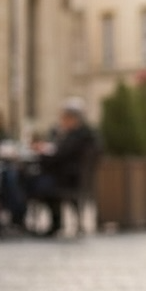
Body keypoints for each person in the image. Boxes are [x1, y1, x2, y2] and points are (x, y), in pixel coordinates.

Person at [24, 98, 98, 236]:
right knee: (35, 181)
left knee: (33, 184)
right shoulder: (71, 133)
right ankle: (54, 222)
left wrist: (43, 152)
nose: (62, 120)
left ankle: (53, 222)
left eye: (65, 117)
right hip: (66, 176)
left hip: (68, 178)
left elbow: (59, 154)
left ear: (74, 119)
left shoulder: (79, 135)